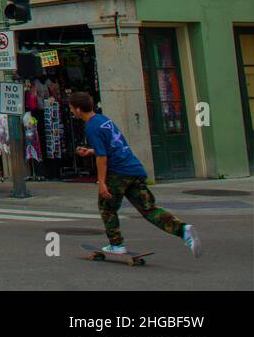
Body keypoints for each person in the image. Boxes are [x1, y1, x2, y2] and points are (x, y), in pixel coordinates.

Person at [69, 91, 199, 257]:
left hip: (118, 173)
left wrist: (101, 182)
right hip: (133, 169)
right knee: (148, 209)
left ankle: (116, 244)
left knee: (107, 207)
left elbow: (103, 157)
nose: (72, 112)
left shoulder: (91, 127)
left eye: (72, 108)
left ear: (79, 109)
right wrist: (90, 151)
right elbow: (114, 145)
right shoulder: (103, 120)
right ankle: (183, 230)